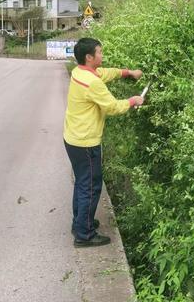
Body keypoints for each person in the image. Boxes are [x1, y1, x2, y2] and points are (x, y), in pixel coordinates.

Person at [63, 37, 144, 247]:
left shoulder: (80, 72)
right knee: (90, 186)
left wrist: (128, 72)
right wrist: (133, 101)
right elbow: (113, 107)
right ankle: (85, 235)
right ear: (89, 57)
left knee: (82, 182)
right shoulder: (92, 83)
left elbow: (106, 72)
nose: (102, 55)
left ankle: (80, 222)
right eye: (99, 52)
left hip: (72, 138)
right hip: (86, 143)